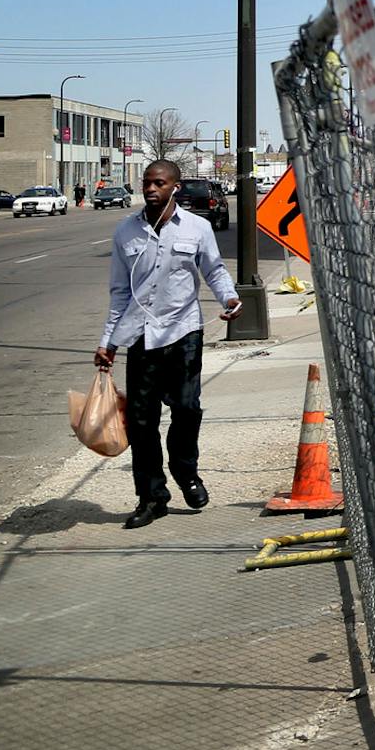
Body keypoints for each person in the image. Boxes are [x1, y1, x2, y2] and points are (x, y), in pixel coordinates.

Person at [94, 160, 241, 528]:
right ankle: (151, 497)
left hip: (184, 331)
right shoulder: (125, 232)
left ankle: (185, 471)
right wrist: (108, 342)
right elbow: (118, 292)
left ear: (174, 186)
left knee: (188, 408)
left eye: (158, 183)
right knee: (142, 422)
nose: (150, 189)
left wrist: (230, 299)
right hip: (141, 336)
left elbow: (214, 270)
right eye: (147, 183)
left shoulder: (198, 227)